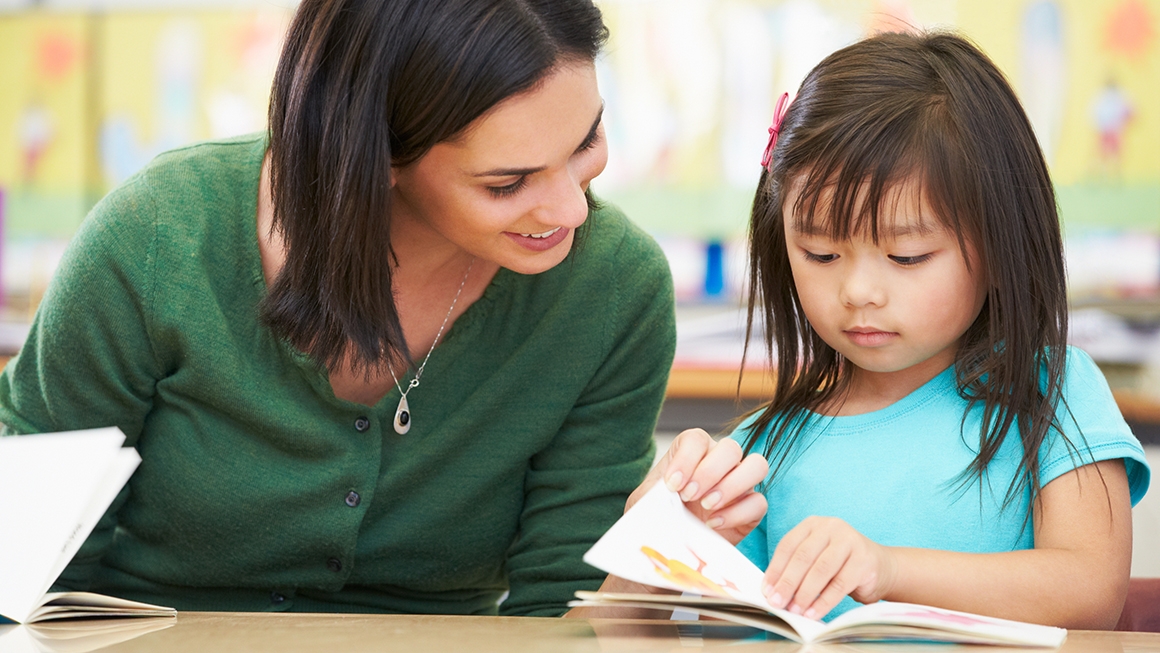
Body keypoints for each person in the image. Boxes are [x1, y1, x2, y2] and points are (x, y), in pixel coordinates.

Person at [0, 0, 766, 617]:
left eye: (587, 140)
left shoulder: (612, 287)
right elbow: (24, 562)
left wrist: (647, 566)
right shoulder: (159, 233)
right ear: (376, 159)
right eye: (508, 182)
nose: (570, 207)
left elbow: (561, 614)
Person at [732, 31, 1150, 627]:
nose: (858, 292)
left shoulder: (1050, 393)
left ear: (1001, 243)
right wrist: (664, 524)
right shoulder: (758, 450)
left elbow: (1090, 591)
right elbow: (694, 623)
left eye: (907, 257)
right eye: (821, 254)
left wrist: (889, 570)